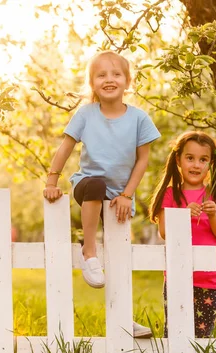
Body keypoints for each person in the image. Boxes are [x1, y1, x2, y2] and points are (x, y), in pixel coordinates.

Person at [43, 50, 161, 338]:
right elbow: (66, 148)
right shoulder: (85, 114)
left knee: (120, 257)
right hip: (88, 186)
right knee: (95, 184)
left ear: (127, 80)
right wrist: (51, 180)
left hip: (119, 196)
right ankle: (89, 250)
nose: (109, 79)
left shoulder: (139, 119)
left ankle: (125, 316)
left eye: (116, 74)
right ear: (92, 83)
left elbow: (142, 159)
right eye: (101, 75)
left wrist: (127, 195)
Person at [149, 131, 216, 338]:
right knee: (175, 330)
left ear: (210, 163)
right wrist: (184, 214)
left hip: (209, 277)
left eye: (203, 159)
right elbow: (163, 232)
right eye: (190, 158)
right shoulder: (170, 195)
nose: (196, 165)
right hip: (177, 274)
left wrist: (213, 215)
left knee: (202, 333)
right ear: (178, 159)